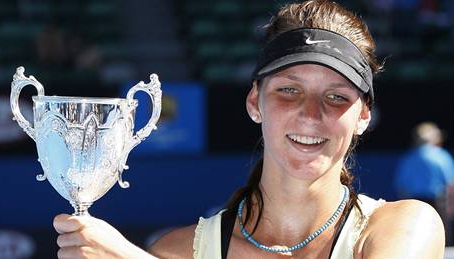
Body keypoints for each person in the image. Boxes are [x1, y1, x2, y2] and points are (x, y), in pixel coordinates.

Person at [53, 1, 445, 258]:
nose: (311, 114)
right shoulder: (177, 252)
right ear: (255, 102)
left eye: (336, 97)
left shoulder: (404, 228)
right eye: (289, 91)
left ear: (363, 116)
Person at [394, 121, 454, 245]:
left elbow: (401, 186)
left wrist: (405, 206)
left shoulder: (409, 158)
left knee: (415, 237)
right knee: (442, 237)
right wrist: (450, 205)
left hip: (414, 202)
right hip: (438, 202)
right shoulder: (441, 156)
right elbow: (450, 185)